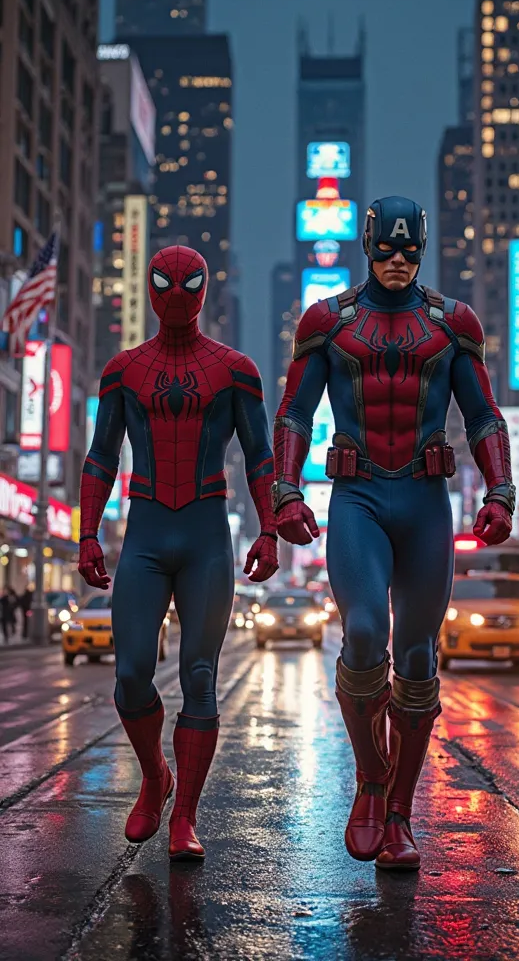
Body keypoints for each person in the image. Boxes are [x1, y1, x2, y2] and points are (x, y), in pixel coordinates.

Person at [272, 196, 514, 870]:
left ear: (424, 248)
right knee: (364, 635)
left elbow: (484, 415)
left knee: (415, 656)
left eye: (411, 252)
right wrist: (285, 490)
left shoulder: (451, 324)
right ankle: (371, 778)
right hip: (358, 497)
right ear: (368, 247)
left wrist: (501, 489)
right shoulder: (329, 322)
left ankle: (402, 813)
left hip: (425, 499)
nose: (399, 263)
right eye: (388, 251)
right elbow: (294, 413)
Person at [79, 246, 278, 862]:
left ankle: (184, 815)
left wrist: (269, 529)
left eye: (185, 285)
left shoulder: (236, 370)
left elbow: (260, 455)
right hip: (144, 531)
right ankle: (156, 778)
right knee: (131, 673)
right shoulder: (122, 370)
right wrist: (87, 532)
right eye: (164, 284)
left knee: (199, 675)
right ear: (148, 287)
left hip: (205, 532)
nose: (174, 294)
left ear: (203, 289)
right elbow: (101, 455)